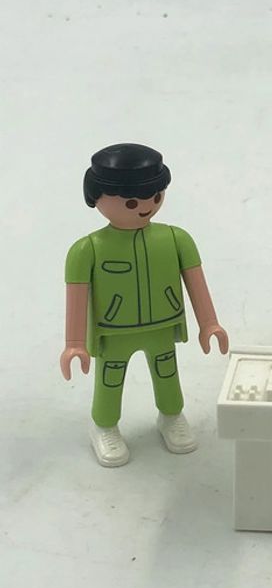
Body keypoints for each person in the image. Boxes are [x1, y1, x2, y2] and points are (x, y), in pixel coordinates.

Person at [60, 143, 229, 467]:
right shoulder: (87, 250)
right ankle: (105, 426)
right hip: (114, 331)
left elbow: (196, 282)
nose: (145, 207)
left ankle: (171, 416)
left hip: (162, 325)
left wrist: (209, 324)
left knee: (167, 372)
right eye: (132, 201)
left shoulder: (176, 239)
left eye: (155, 196)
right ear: (96, 196)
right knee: (110, 379)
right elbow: (77, 297)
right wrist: (74, 344)